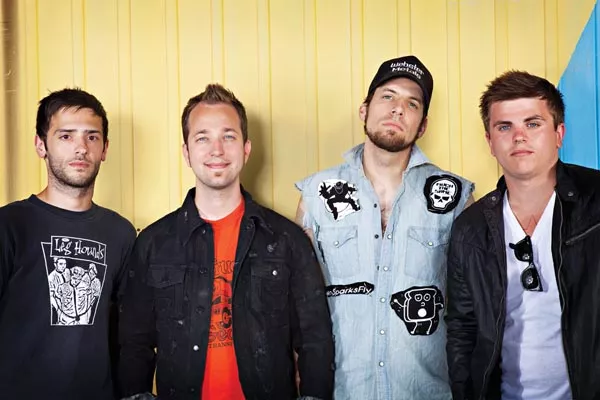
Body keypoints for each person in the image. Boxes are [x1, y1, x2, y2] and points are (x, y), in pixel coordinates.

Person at [119, 83, 334, 400]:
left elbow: (315, 340)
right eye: (202, 138)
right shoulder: (152, 244)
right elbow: (133, 343)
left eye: (228, 137)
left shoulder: (287, 240)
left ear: (246, 149)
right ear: (186, 152)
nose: (216, 150)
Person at [296, 55, 474, 399]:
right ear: (364, 110)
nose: (397, 109)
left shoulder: (455, 198)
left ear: (422, 125)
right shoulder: (317, 195)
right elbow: (298, 304)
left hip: (427, 392)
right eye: (388, 96)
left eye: (412, 103)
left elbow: (472, 310)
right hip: (341, 391)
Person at [446, 70, 600, 399]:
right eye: (505, 127)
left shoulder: (596, 202)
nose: (519, 137)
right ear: (490, 142)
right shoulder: (470, 228)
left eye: (533, 124)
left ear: (559, 133)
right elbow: (462, 328)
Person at [0, 88, 136, 399]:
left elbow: (127, 334)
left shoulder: (121, 233)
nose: (81, 148)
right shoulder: (9, 225)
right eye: (65, 136)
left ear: (105, 148)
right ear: (41, 145)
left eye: (92, 136)